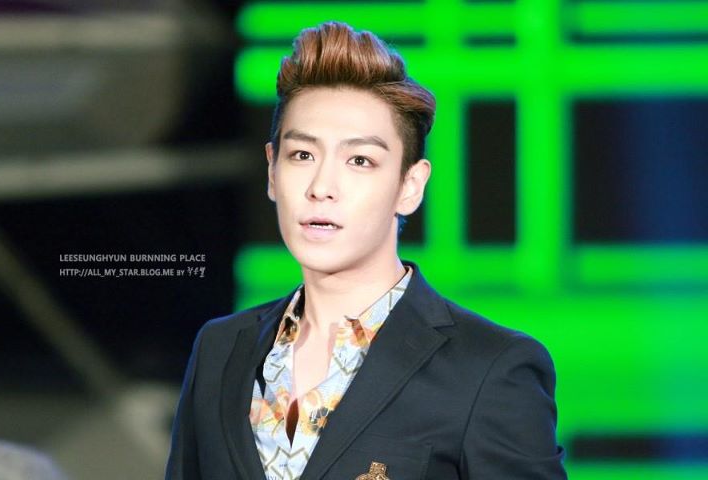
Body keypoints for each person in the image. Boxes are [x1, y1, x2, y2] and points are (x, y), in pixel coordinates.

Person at [165, 21, 567, 480]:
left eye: (360, 160)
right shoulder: (220, 349)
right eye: (302, 155)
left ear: (410, 186)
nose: (321, 187)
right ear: (273, 171)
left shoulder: (490, 368)